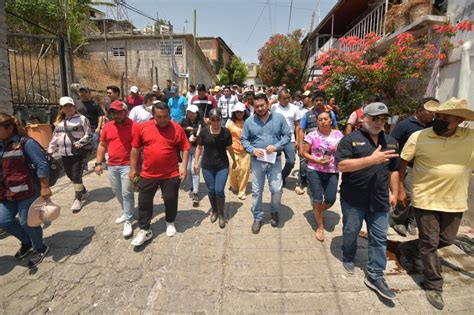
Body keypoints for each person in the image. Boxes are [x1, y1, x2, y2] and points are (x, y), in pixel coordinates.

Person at [397, 98, 474, 310]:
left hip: (454, 200)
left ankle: (409, 247)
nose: (438, 120)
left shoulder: (470, 138)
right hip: (425, 198)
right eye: (437, 116)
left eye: (445, 117)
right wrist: (401, 189)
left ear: (458, 120)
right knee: (430, 243)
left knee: (446, 239)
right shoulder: (419, 136)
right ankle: (433, 285)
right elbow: (402, 161)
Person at [335, 102, 399, 300]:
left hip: (380, 200)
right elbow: (342, 166)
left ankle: (375, 275)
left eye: (383, 119)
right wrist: (370, 160)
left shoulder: (391, 141)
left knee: (379, 238)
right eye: (374, 118)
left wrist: (394, 192)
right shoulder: (349, 140)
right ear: (363, 119)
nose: (379, 123)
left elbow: (394, 170)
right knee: (351, 231)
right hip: (354, 199)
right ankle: (348, 255)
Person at [129, 102, 190, 246]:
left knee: (170, 199)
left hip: (170, 173)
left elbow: (185, 148)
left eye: (165, 116)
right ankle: (145, 229)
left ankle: (170, 221)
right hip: (148, 173)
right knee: (144, 202)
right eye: (159, 117)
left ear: (169, 114)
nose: (162, 120)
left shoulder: (177, 128)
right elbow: (135, 149)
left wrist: (184, 167)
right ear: (153, 116)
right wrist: (132, 169)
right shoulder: (143, 127)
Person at [0, 113, 51, 268]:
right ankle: (27, 242)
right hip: (7, 192)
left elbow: (42, 164)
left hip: (28, 190)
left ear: (9, 128)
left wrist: (44, 187)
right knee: (4, 220)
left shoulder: (26, 143)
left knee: (27, 222)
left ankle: (39, 247)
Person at [241, 93, 291, 234]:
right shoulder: (249, 122)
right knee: (256, 191)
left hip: (274, 160)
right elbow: (244, 140)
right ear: (253, 107)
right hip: (257, 162)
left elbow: (287, 135)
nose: (260, 108)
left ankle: (274, 211)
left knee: (276, 189)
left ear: (268, 104)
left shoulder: (279, 118)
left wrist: (277, 145)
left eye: (262, 105)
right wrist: (252, 150)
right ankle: (258, 217)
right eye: (257, 106)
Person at [389, 98, 436, 237]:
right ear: (420, 110)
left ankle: (412, 220)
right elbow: (393, 143)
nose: (433, 114)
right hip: (408, 166)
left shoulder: (435, 126)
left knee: (421, 195)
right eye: (430, 111)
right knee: (406, 195)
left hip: (427, 167)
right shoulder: (405, 125)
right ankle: (398, 220)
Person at [95, 101, 136, 238]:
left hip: (128, 165)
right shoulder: (107, 126)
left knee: (126, 193)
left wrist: (137, 167)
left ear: (126, 112)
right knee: (116, 191)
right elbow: (102, 144)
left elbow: (140, 147)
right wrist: (98, 163)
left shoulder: (134, 126)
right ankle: (126, 212)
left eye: (119, 112)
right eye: (114, 112)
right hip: (112, 165)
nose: (116, 115)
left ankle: (129, 220)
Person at [302, 111, 343, 241]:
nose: (323, 121)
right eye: (320, 119)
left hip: (332, 171)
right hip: (314, 170)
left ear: (331, 120)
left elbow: (343, 151)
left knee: (330, 199)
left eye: (325, 119)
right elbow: (304, 152)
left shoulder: (339, 135)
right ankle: (320, 226)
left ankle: (317, 211)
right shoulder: (311, 135)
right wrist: (317, 160)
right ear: (317, 122)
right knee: (317, 199)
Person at [48, 97, 92, 212]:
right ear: (61, 109)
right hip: (64, 154)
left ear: (74, 106)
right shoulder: (58, 123)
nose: (68, 108)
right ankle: (83, 191)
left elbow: (89, 134)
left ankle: (78, 198)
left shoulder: (82, 119)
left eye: (70, 105)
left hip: (78, 153)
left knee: (76, 175)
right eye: (65, 106)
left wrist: (79, 143)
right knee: (70, 176)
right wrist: (50, 151)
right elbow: (54, 138)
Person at [194, 109, 235, 229]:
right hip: (207, 166)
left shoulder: (226, 132)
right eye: (213, 119)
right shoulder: (204, 132)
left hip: (222, 165)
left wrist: (234, 161)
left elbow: (230, 148)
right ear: (209, 120)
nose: (216, 122)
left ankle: (221, 214)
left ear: (221, 119)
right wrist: (196, 162)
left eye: (218, 119)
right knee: (211, 190)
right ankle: (214, 211)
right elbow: (198, 148)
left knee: (219, 190)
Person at [271, 89, 301, 186]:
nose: (287, 100)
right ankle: (276, 179)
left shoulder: (295, 108)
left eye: (288, 98)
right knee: (275, 161)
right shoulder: (274, 107)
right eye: (284, 98)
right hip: (276, 138)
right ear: (279, 98)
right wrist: (271, 101)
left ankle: (282, 176)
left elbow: (297, 126)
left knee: (291, 161)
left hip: (289, 139)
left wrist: (297, 140)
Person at [226, 102, 251, 200]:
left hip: (245, 151)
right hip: (232, 150)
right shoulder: (229, 123)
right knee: (233, 169)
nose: (239, 114)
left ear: (244, 112)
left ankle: (242, 191)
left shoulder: (249, 122)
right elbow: (226, 135)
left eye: (241, 112)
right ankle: (234, 185)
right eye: (237, 112)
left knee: (244, 171)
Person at [181, 105, 203, 207]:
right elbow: (180, 129)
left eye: (193, 113)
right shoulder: (184, 121)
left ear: (197, 113)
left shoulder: (201, 122)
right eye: (189, 112)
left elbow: (202, 133)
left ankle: (196, 192)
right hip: (186, 149)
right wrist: (187, 129)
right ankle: (191, 187)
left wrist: (195, 134)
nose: (191, 115)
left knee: (195, 169)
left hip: (197, 149)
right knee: (188, 170)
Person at [294, 90, 314, 195]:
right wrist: (299, 142)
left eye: (304, 97)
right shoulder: (301, 111)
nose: (302, 99)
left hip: (318, 143)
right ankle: (302, 182)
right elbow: (299, 129)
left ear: (310, 98)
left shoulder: (321, 110)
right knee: (303, 162)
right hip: (305, 141)